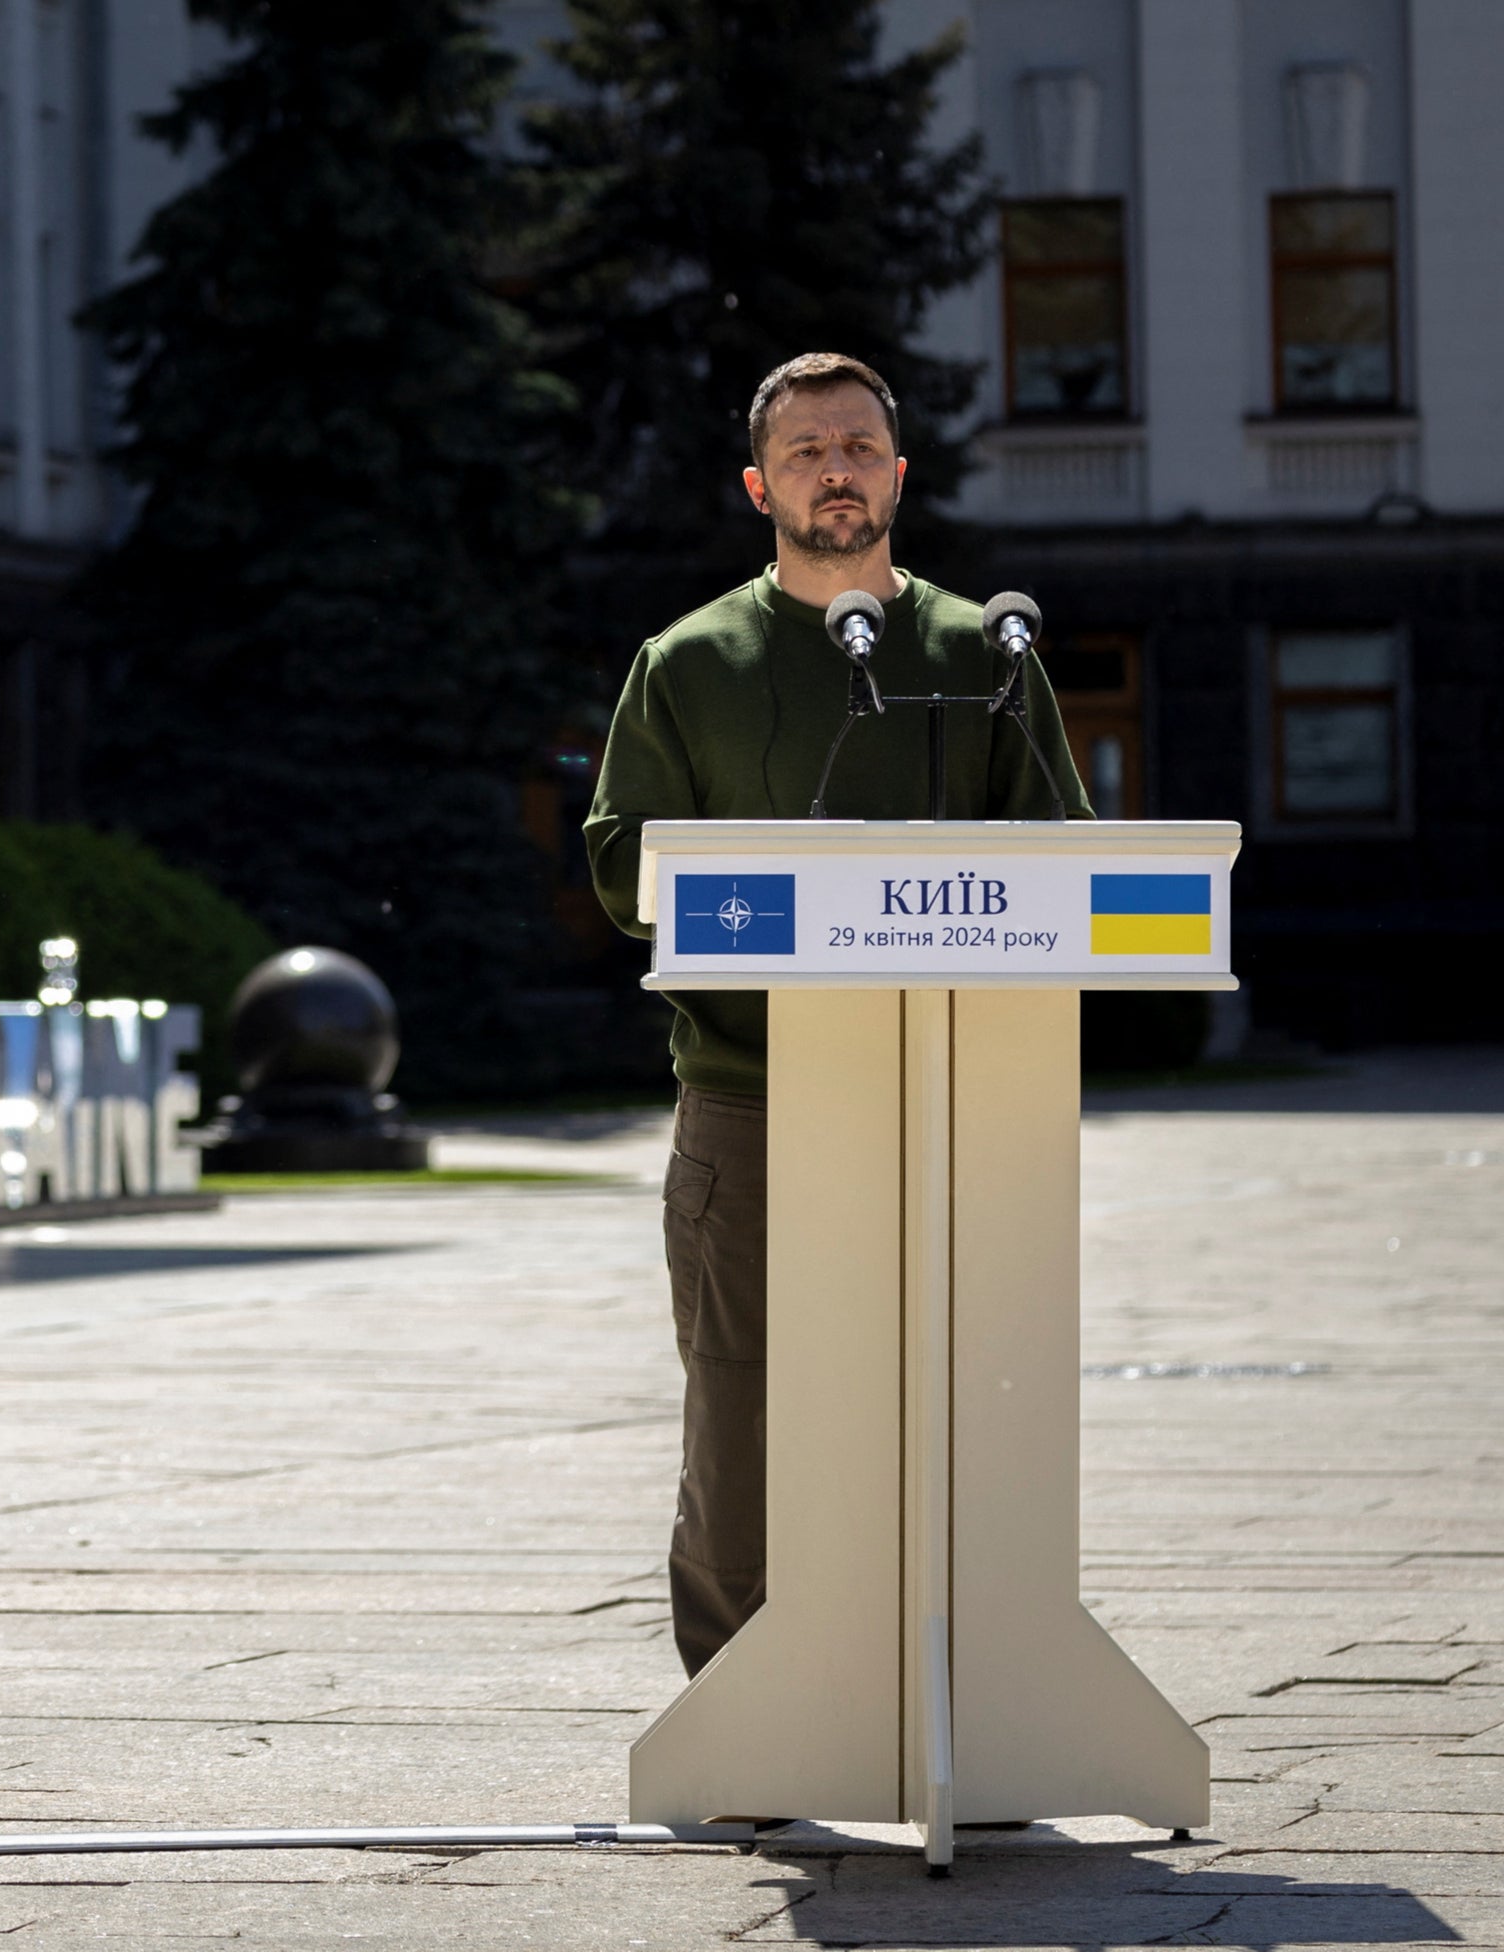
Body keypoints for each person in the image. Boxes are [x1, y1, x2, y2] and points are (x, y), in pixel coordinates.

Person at [584, 352, 1091, 1679]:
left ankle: (965, 1706)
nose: (838, 471)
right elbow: (619, 859)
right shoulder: (688, 663)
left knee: (960, 1416)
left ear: (900, 472)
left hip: (954, 1103)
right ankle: (743, 1711)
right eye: (807, 452)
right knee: (742, 1428)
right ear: (761, 485)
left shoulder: (991, 651)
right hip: (753, 1101)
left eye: (860, 445)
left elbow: (1070, 864)